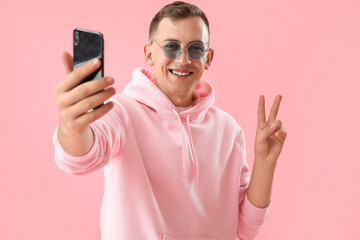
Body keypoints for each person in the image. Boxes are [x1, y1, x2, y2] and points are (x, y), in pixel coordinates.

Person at [53, 1, 287, 239]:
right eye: (171, 47)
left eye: (195, 49)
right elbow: (79, 158)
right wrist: (72, 127)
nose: (183, 59)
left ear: (208, 58)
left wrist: (265, 163)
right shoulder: (122, 113)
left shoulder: (228, 130)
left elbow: (244, 229)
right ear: (149, 53)